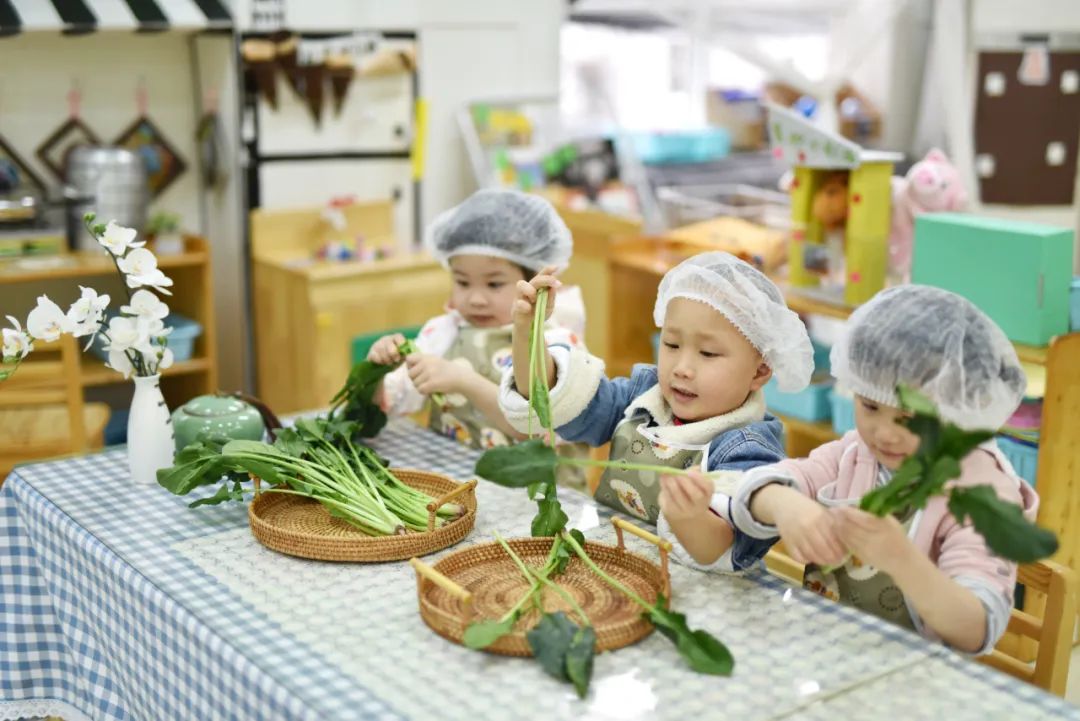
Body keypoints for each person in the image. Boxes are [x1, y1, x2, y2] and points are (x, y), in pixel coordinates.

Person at [732, 285, 1035, 654]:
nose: (884, 433)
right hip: (825, 653)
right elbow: (759, 486)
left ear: (959, 406)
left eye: (908, 418)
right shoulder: (855, 454)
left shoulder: (984, 492)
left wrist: (902, 559)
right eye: (870, 406)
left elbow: (977, 627)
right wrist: (783, 503)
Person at [501, 251, 814, 572]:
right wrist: (527, 333)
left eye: (707, 353)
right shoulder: (643, 394)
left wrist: (690, 517)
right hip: (611, 565)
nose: (682, 368)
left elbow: (718, 550)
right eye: (672, 345)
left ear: (760, 372)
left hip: (695, 596)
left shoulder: (749, 447)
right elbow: (555, 401)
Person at [370, 188, 585, 455]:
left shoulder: (556, 341)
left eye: (494, 284)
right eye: (462, 282)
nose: (475, 299)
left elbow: (537, 426)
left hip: (537, 492)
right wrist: (377, 372)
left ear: (535, 282)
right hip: (455, 483)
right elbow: (390, 403)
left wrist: (464, 381)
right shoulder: (443, 332)